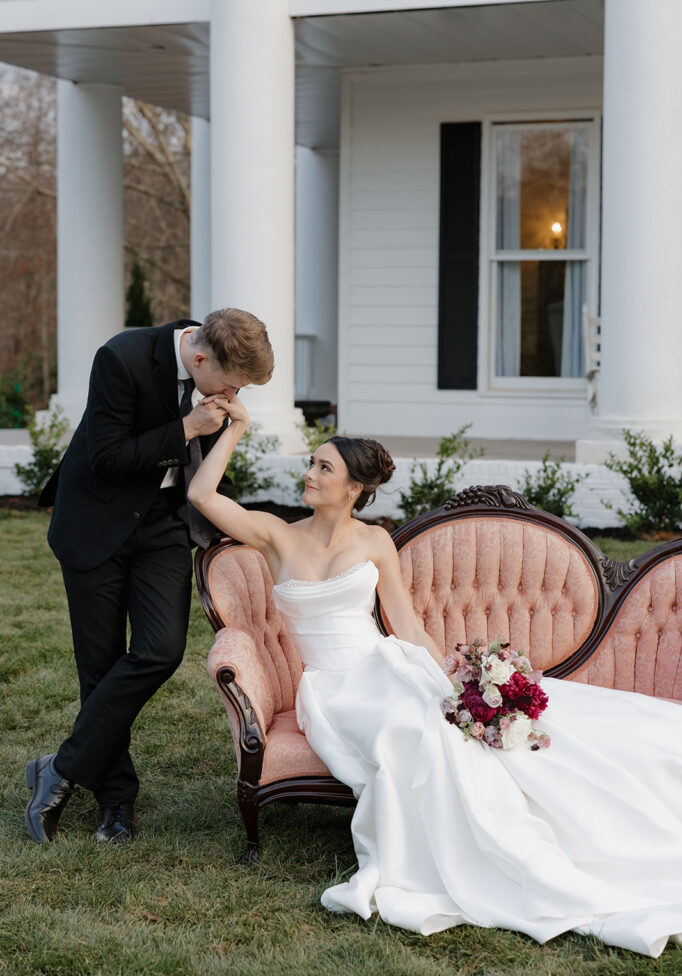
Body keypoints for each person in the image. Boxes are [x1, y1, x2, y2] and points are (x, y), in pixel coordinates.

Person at [187, 397, 682, 958]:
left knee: (448, 725)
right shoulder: (277, 534)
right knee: (410, 733)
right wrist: (237, 428)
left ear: (353, 488)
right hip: (333, 688)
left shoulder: (374, 541)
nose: (310, 474)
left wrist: (458, 677)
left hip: (387, 666)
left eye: (324, 467)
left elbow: (403, 622)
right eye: (312, 463)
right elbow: (201, 496)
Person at [24, 309, 274, 846]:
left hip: (162, 526)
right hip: (97, 522)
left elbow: (205, 468)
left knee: (160, 650)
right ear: (200, 358)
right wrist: (186, 428)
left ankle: (60, 769)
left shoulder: (213, 369)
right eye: (232, 385)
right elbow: (108, 458)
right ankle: (117, 802)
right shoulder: (122, 358)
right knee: (101, 667)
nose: (235, 395)